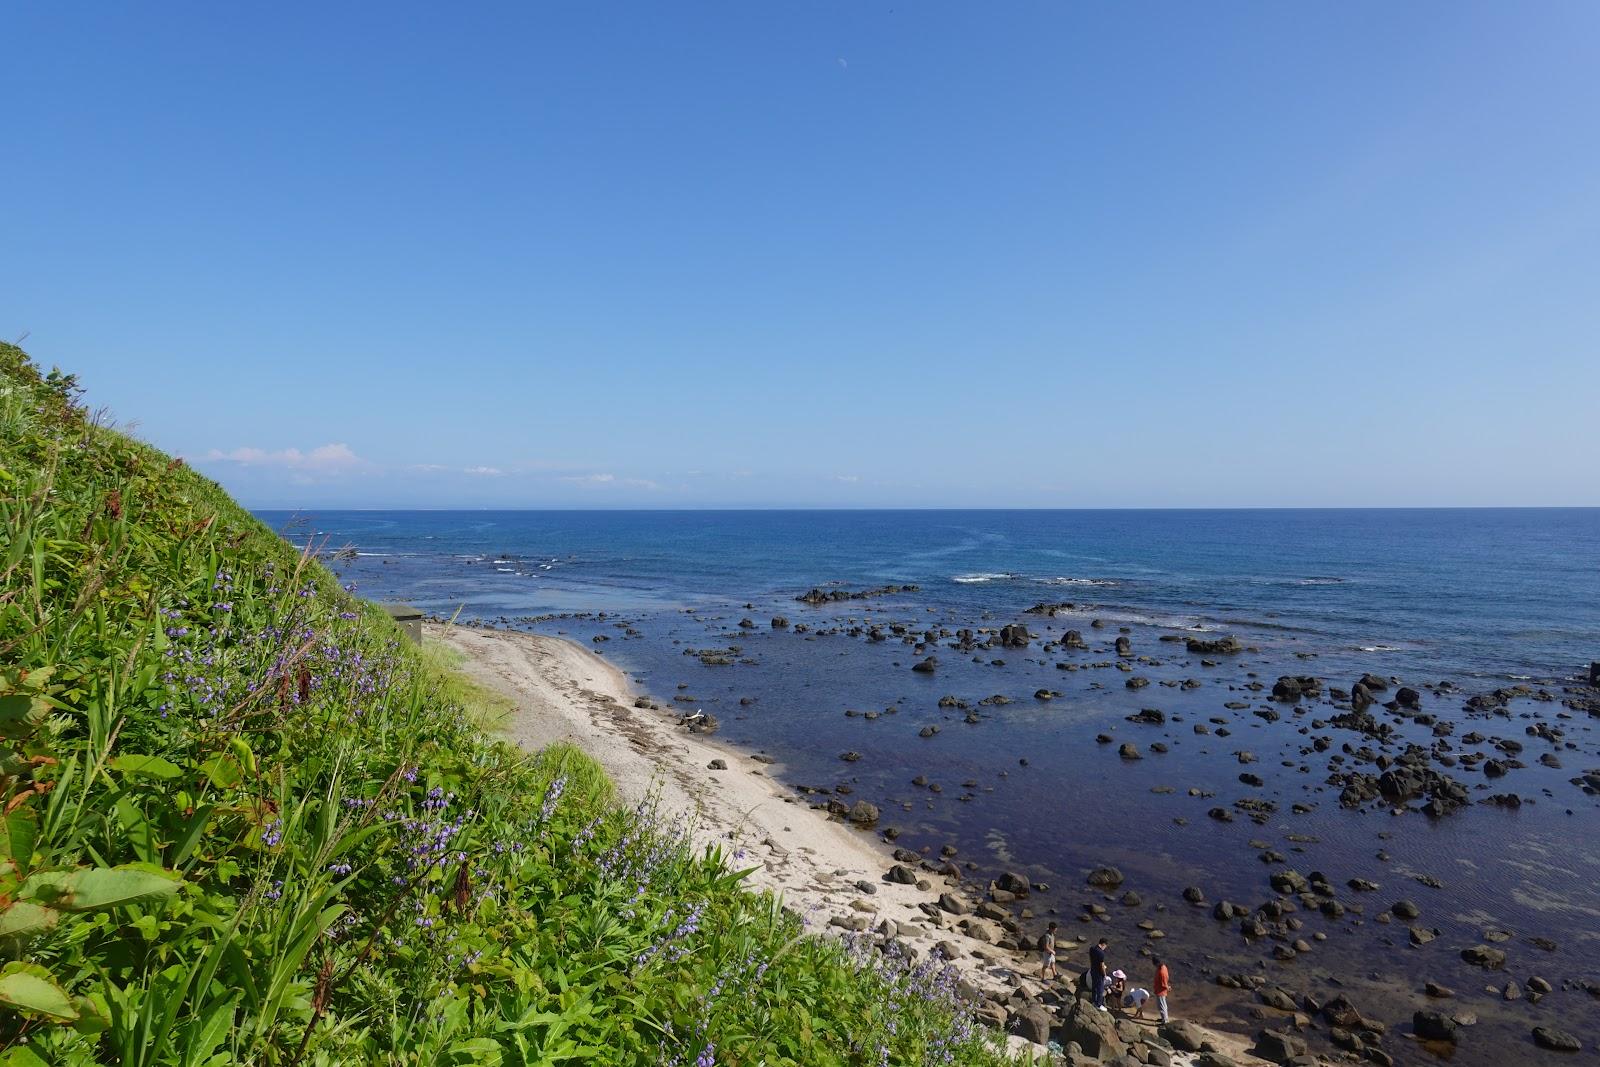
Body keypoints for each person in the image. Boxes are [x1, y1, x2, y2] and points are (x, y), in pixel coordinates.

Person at [1089, 937, 1109, 1012]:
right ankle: (1099, 1005)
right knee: (1100, 989)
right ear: (1104, 944)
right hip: (1098, 973)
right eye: (1105, 946)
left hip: (1093, 970)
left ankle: (1094, 1001)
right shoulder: (1101, 953)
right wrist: (1104, 975)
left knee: (1094, 987)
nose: (1105, 948)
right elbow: (1102, 965)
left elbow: (1091, 959)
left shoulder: (1092, 948)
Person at [1152, 956, 1171, 1024]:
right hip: (1159, 989)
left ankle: (1165, 1021)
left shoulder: (1161, 972)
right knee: (1163, 1005)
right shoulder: (1163, 967)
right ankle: (1164, 1018)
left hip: (1161, 992)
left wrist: (1167, 987)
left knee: (1162, 1006)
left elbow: (1164, 984)